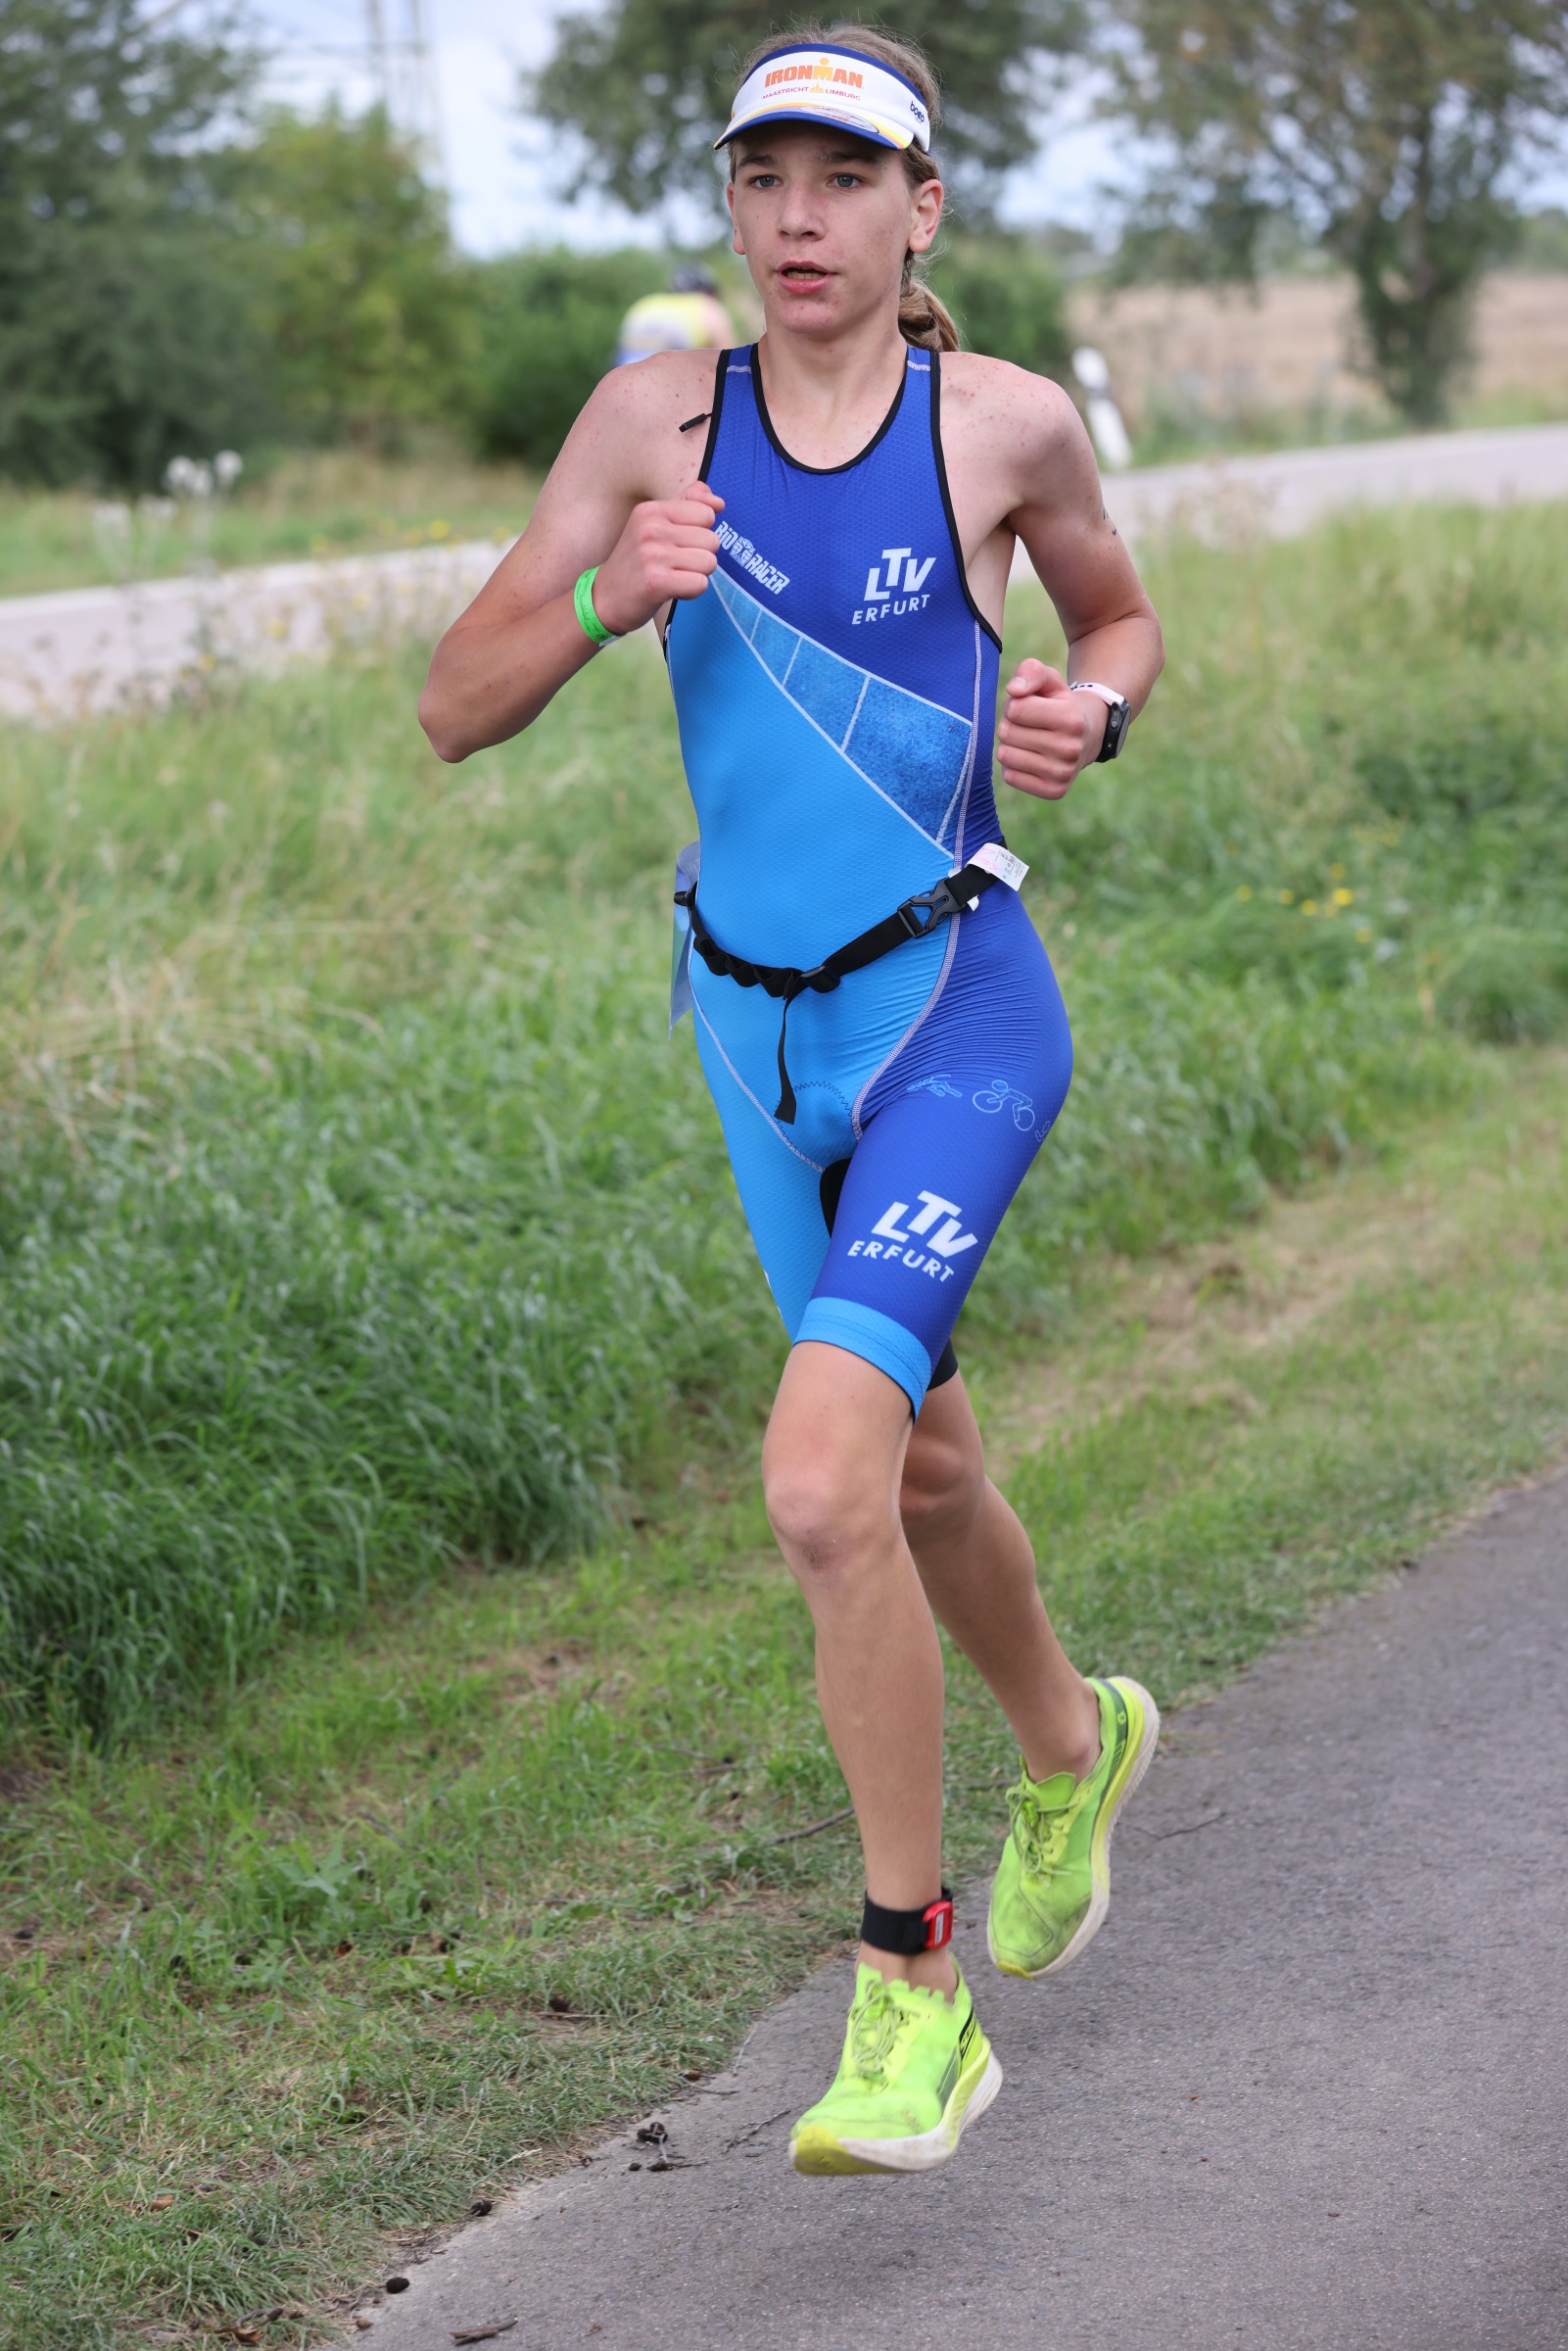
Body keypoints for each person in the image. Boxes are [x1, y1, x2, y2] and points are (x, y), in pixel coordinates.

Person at [420, 23, 1165, 2179]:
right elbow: (453, 707)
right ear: (733, 206)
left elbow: (1115, 619)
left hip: (951, 1017)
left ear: (919, 208)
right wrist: (603, 593)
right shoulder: (653, 422)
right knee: (919, 1469)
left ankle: (910, 1992)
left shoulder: (998, 423)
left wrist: (1086, 716)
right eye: (764, 179)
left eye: (843, 180)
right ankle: (1073, 1743)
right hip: (749, 1041)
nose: (798, 219)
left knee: (824, 1488)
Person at [613, 264, 734, 368]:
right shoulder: (708, 305)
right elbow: (730, 362)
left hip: (628, 366)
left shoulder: (646, 303)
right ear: (707, 291)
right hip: (671, 370)